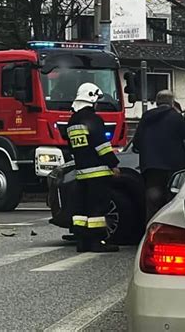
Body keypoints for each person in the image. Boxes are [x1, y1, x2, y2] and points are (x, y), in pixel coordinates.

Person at [66, 83, 120, 253]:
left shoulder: (72, 121)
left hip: (81, 173)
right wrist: (114, 164)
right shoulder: (93, 120)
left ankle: (82, 242)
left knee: (81, 210)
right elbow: (102, 146)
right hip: (98, 172)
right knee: (97, 209)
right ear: (91, 98)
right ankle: (97, 242)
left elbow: (71, 148)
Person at [132, 90, 185, 222]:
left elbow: (136, 143)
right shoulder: (175, 117)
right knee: (172, 203)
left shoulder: (146, 117)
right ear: (171, 102)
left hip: (151, 168)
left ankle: (151, 232)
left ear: (157, 102)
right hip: (173, 168)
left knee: (153, 203)